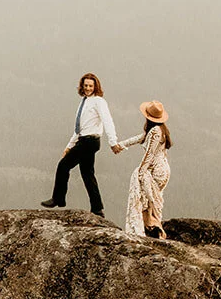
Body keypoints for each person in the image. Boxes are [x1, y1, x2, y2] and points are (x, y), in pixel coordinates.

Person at [41, 72, 120, 217]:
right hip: (85, 140)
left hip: (90, 141)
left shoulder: (98, 101)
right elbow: (79, 128)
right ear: (82, 87)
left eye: (90, 86)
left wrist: (113, 141)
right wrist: (69, 145)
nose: (88, 88)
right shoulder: (84, 101)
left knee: (63, 166)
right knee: (87, 174)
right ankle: (97, 208)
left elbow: (107, 121)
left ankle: (58, 199)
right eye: (85, 86)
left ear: (96, 86)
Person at [117, 100, 172, 238]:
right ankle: (152, 228)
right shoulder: (160, 129)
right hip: (162, 170)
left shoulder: (155, 131)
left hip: (156, 170)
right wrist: (121, 145)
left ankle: (151, 227)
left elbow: (150, 154)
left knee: (144, 198)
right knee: (149, 200)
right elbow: (140, 138)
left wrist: (141, 171)